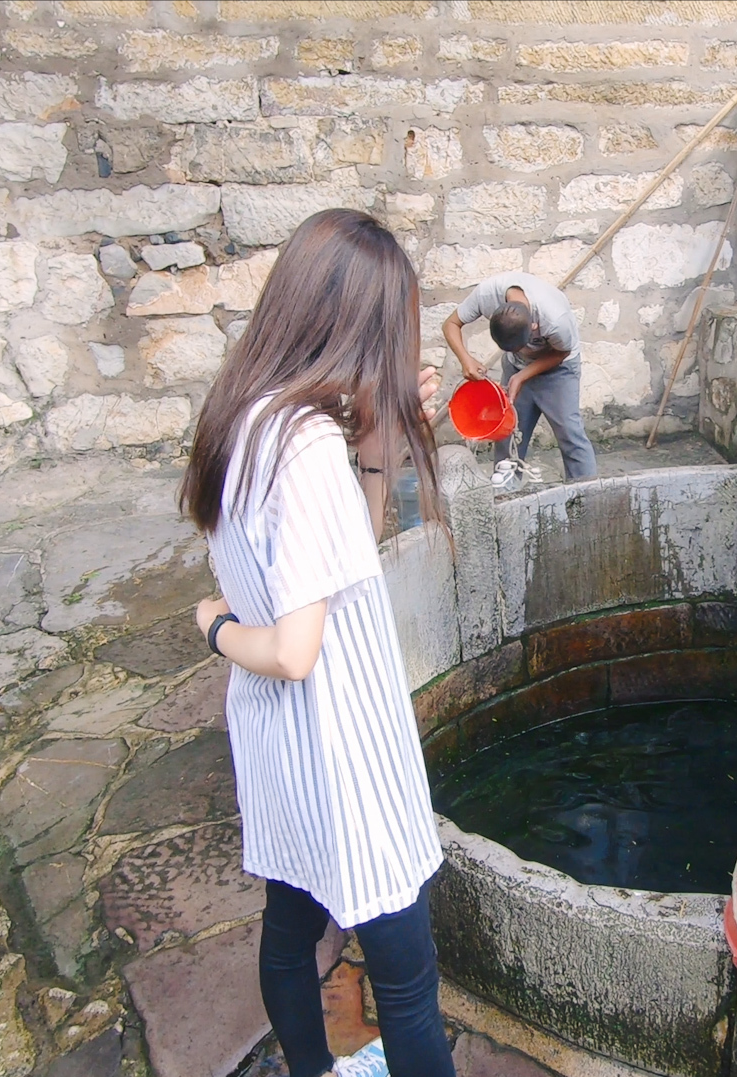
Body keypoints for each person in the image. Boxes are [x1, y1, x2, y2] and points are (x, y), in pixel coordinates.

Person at [179, 209, 454, 1077]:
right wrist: (217, 627)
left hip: (282, 744)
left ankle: (312, 1070)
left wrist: (378, 444)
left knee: (291, 928)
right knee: (408, 984)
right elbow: (298, 650)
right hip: (344, 747)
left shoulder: (245, 414)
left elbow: (340, 556)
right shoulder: (302, 445)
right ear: (354, 323)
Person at [443, 272, 597, 492]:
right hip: (515, 366)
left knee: (570, 434)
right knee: (507, 435)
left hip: (559, 369)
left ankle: (586, 495)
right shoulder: (486, 295)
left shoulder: (555, 319)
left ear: (534, 326)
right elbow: (450, 324)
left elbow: (561, 353)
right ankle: (506, 495)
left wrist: (522, 376)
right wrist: (465, 359)